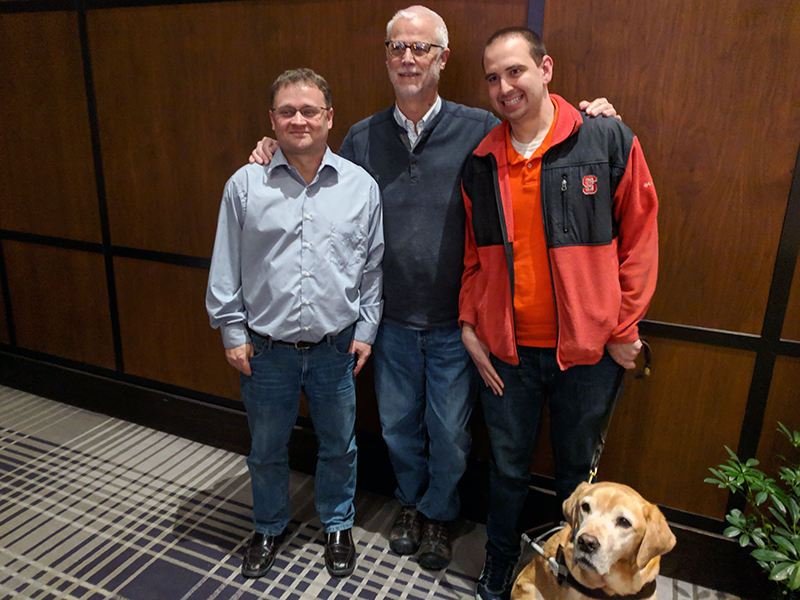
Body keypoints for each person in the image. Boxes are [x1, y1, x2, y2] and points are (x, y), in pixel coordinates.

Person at [251, 6, 616, 571]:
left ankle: (440, 515)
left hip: (458, 324)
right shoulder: (362, 137)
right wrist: (273, 149)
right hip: (390, 321)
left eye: (420, 48)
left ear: (443, 58)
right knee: (398, 429)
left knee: (450, 436)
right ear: (386, 59)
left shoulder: (481, 128)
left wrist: (593, 116)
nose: (407, 58)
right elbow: (321, 181)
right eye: (397, 47)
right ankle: (410, 505)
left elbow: (541, 131)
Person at [459, 27, 658, 600]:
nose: (504, 87)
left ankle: (576, 578)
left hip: (589, 356)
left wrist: (622, 327)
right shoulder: (480, 163)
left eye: (515, 71)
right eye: (492, 78)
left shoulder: (606, 140)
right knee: (507, 471)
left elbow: (641, 240)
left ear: (544, 69)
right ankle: (501, 561)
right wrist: (471, 324)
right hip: (508, 355)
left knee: (579, 479)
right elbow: (473, 258)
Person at [206, 68, 384, 580]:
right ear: (272, 120)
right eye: (288, 111)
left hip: (335, 348)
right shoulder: (245, 185)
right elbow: (226, 265)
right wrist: (232, 332)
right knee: (266, 450)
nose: (299, 120)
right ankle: (268, 525)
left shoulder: (361, 187)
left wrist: (366, 331)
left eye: (310, 110)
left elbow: (372, 268)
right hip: (266, 351)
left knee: (339, 446)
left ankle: (337, 524)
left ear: (330, 117)